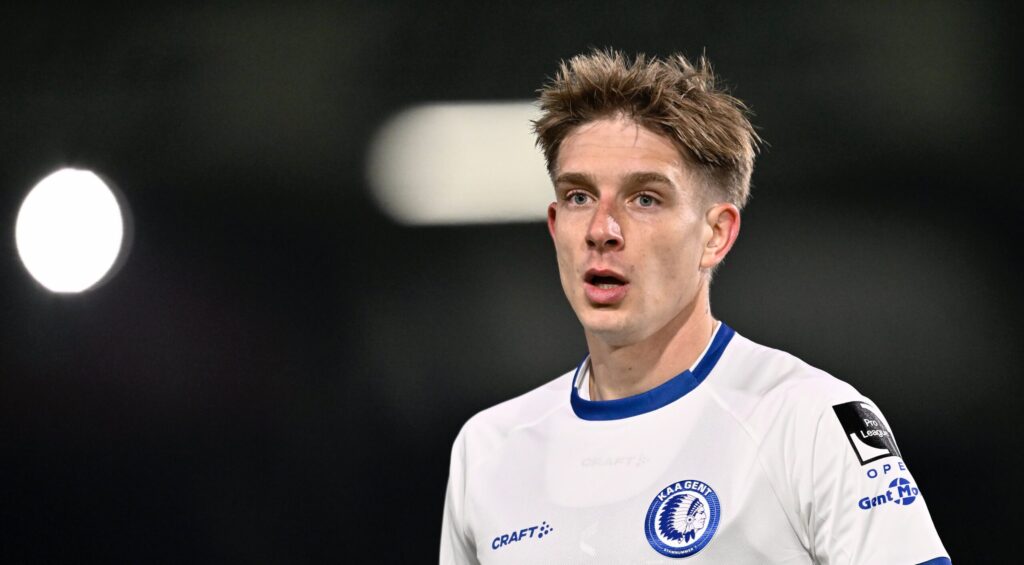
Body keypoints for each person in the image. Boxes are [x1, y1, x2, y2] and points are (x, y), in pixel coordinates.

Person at [440, 49, 950, 564]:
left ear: (715, 234)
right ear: (554, 226)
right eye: (579, 197)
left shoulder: (808, 421)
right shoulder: (488, 451)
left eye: (645, 199)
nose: (601, 230)